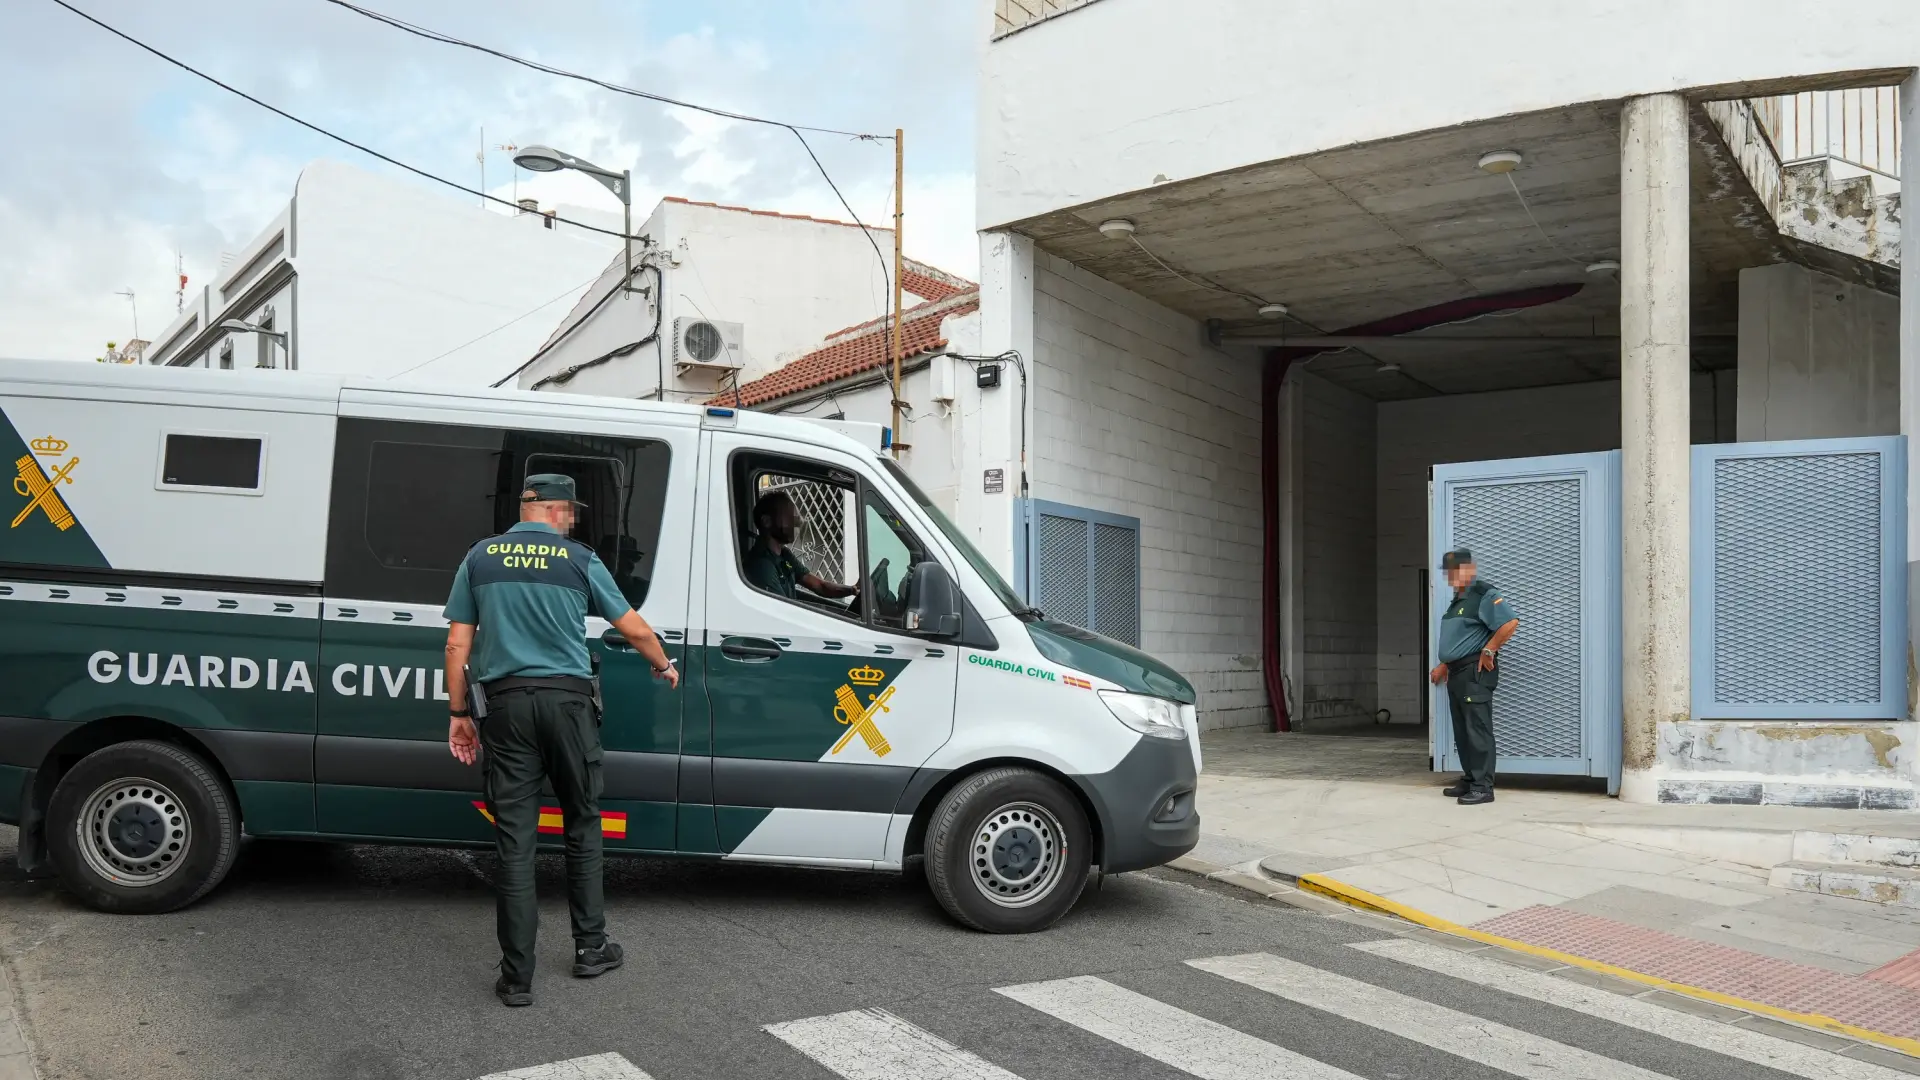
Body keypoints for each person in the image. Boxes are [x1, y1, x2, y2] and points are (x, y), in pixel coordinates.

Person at [442, 473, 680, 1007]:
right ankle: (590, 949)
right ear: (553, 510)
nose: (574, 518)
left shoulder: (479, 557)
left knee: (515, 841)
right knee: (582, 823)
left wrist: (460, 713)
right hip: (569, 705)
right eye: (571, 510)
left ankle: (518, 978)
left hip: (505, 707)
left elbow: (458, 644)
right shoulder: (578, 559)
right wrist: (663, 664)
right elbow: (633, 627)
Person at [1428, 549, 1518, 805]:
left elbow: (1509, 623)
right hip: (1456, 673)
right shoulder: (1458, 600)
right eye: (1450, 571)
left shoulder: (1483, 593)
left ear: (1469, 569)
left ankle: (1483, 787)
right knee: (1463, 730)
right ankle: (1470, 779)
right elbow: (1460, 641)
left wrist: (1489, 650)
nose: (1452, 576)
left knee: (1477, 729)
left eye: (1458, 570)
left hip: (1473, 673)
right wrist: (1443, 666)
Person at [743, 490, 859, 602]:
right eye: (789, 516)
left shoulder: (784, 555)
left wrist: (852, 589)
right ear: (766, 521)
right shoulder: (762, 566)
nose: (798, 522)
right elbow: (782, 614)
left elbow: (821, 586)